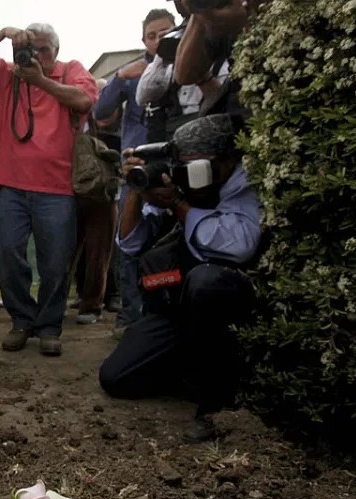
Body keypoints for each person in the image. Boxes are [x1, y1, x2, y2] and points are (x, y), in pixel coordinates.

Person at [99, 114, 261, 442]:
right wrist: (136, 189)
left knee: (205, 282)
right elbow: (130, 243)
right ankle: (193, 367)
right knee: (117, 377)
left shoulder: (243, 182)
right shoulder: (181, 180)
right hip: (180, 306)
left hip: (228, 302)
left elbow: (240, 246)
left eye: (196, 166)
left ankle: (215, 404)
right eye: (182, 165)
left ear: (227, 159)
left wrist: (178, 205)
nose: (187, 173)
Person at [0, 24, 97, 356]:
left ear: (56, 51)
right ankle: (22, 320)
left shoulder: (71, 70)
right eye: (31, 49)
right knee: (10, 257)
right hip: (12, 185)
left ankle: (49, 325)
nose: (37, 56)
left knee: (55, 261)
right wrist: (2, 34)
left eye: (44, 50)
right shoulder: (9, 74)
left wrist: (40, 79)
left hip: (57, 187)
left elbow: (83, 100)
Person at [96, 8, 177, 330]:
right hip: (136, 168)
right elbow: (101, 111)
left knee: (171, 241)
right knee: (129, 245)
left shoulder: (192, 64)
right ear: (143, 39)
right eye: (152, 35)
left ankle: (166, 316)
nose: (158, 40)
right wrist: (118, 78)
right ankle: (130, 318)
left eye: (165, 33)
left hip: (176, 167)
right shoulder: (132, 73)